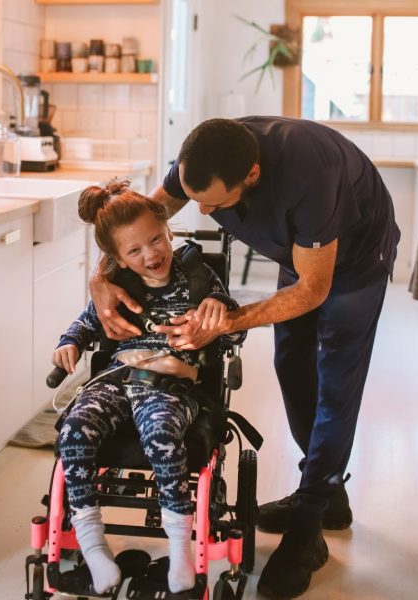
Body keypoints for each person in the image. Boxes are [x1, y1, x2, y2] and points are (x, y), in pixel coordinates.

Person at [90, 117, 401, 599]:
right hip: (298, 258)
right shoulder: (203, 158)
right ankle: (328, 494)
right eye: (195, 198)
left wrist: (227, 320)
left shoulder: (307, 179)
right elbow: (138, 220)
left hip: (355, 261)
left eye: (212, 204)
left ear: (251, 177)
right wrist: (101, 277)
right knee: (291, 365)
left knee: (334, 386)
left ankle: (307, 526)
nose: (202, 210)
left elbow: (313, 289)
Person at [54, 180, 245, 594]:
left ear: (167, 229)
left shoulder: (197, 275)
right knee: (73, 429)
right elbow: (86, 322)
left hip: (171, 386)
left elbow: (231, 329)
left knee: (160, 432)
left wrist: (220, 314)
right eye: (134, 251)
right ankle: (92, 546)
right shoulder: (119, 285)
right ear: (116, 258)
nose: (151, 255)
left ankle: (179, 551)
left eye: (156, 240)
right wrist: (69, 342)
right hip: (119, 379)